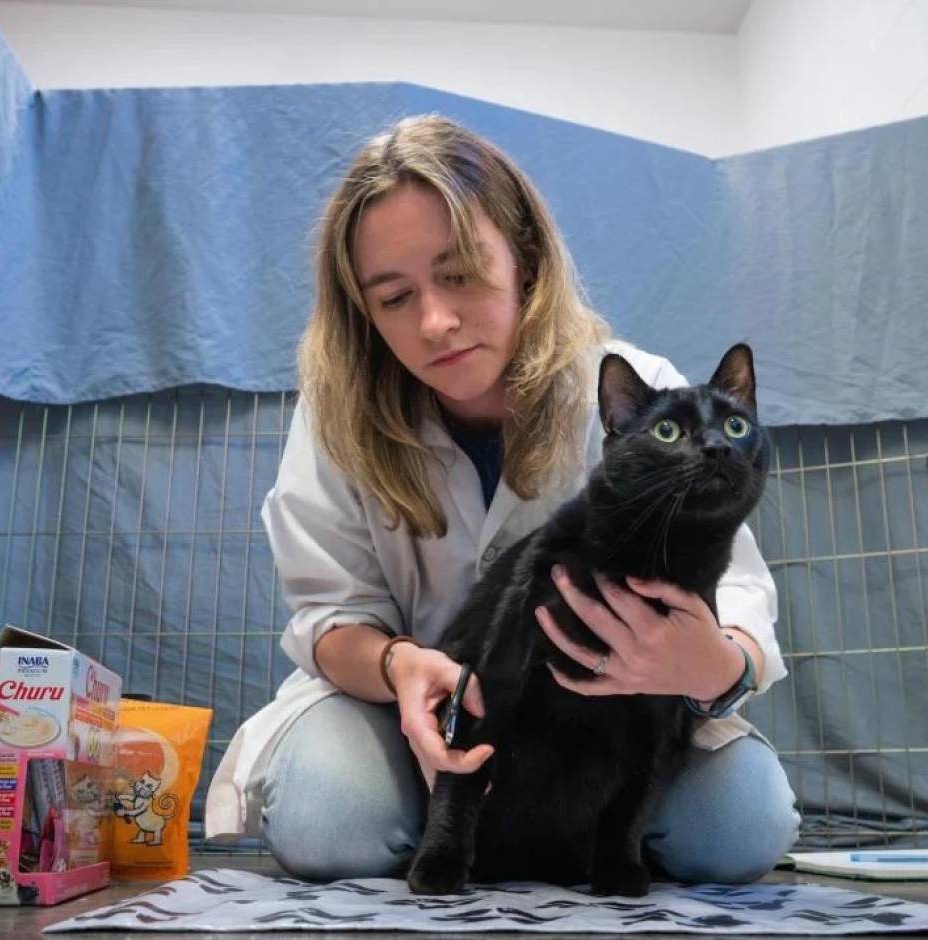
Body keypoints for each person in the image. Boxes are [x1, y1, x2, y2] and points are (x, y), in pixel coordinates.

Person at [203, 115, 798, 884]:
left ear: (524, 258)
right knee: (328, 821)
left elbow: (741, 595)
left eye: (459, 273)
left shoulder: (633, 389)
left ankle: (545, 829)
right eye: (393, 298)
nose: (435, 323)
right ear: (362, 312)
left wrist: (715, 664)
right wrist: (397, 666)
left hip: (618, 721)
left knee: (739, 831)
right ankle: (463, 823)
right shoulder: (335, 417)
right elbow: (329, 616)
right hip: (408, 711)